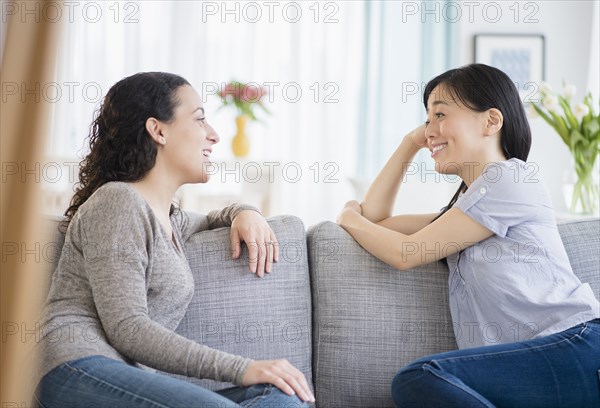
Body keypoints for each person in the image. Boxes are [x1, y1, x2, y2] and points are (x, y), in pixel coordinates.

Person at [33, 72, 315, 407]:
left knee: (279, 398)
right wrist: (243, 368)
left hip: (121, 377)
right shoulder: (117, 202)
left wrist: (245, 212)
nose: (213, 136)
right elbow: (128, 328)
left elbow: (212, 219)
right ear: (158, 130)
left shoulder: (168, 219)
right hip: (74, 368)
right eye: (199, 120)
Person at [337, 63, 600, 407]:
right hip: (537, 359)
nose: (429, 129)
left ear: (491, 120)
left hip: (574, 345)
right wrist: (409, 143)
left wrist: (346, 217)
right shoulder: (465, 212)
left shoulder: (511, 179)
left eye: (440, 114)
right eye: (426, 119)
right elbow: (377, 222)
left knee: (421, 376)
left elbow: (405, 252)